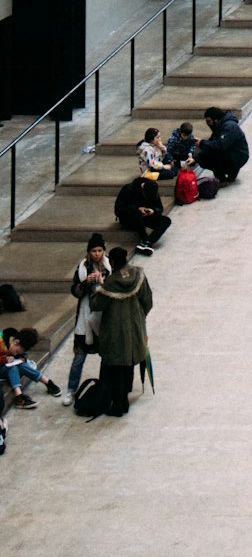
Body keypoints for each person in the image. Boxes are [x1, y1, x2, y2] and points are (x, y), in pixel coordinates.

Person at [91, 247, 152, 417]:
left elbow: (96, 305)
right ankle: (125, 395)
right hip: (134, 326)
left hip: (115, 330)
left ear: (112, 262)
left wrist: (97, 286)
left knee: (116, 364)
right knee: (129, 360)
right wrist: (139, 318)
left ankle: (118, 404)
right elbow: (147, 300)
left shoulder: (110, 284)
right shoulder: (138, 275)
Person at [66, 237, 107, 397]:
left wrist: (103, 283)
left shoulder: (109, 267)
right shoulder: (82, 267)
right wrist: (86, 282)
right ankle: (71, 389)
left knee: (107, 358)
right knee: (79, 358)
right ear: (88, 252)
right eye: (93, 251)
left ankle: (105, 389)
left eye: (99, 251)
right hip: (84, 318)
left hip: (103, 318)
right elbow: (75, 291)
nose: (96, 254)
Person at [2, 328, 63, 408]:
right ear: (16, 342)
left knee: (21, 365)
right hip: (3, 368)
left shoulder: (16, 339)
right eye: (16, 351)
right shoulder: (1, 341)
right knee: (13, 367)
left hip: (10, 368)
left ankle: (48, 383)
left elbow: (24, 354)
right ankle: (19, 397)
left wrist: (22, 358)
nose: (15, 353)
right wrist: (4, 359)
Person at [113, 173, 171, 255]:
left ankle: (147, 242)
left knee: (166, 220)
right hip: (129, 218)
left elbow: (159, 208)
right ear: (142, 188)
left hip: (145, 217)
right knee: (136, 213)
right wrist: (137, 208)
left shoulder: (152, 190)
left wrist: (153, 211)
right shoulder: (128, 189)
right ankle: (144, 238)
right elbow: (118, 210)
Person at [195, 106, 250, 184]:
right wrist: (196, 158)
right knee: (208, 153)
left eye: (209, 121)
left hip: (238, 156)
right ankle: (231, 172)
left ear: (216, 120)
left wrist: (202, 143)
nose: (208, 124)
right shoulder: (220, 126)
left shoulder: (229, 126)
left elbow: (220, 145)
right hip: (233, 153)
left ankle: (222, 179)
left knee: (211, 156)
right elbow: (212, 142)